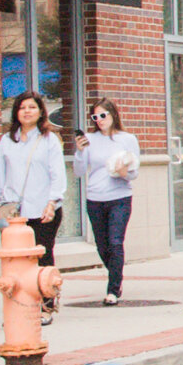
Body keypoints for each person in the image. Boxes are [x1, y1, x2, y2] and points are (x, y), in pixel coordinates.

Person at [0, 91, 67, 301]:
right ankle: (19, 305)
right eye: (22, 107)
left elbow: (57, 174)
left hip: (42, 210)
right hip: (13, 213)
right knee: (14, 260)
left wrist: (52, 203)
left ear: (41, 111)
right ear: (16, 113)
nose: (27, 111)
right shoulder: (7, 140)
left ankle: (46, 302)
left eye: (31, 107)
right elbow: (0, 173)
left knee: (41, 258)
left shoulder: (49, 139)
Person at [74, 99, 141, 305]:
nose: (100, 120)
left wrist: (124, 173)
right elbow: (78, 171)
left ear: (113, 115)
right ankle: (116, 274)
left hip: (119, 197)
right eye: (96, 117)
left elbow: (134, 173)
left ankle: (113, 289)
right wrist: (79, 151)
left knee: (115, 242)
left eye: (103, 115)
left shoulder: (127, 139)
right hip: (95, 198)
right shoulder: (89, 139)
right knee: (102, 246)